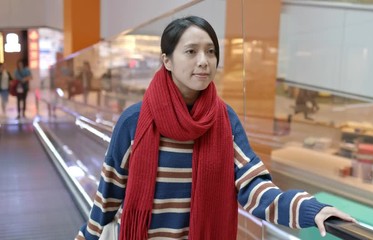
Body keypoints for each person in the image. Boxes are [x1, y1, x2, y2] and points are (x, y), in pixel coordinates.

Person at [76, 16, 355, 240]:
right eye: (191, 51)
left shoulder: (223, 120)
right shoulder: (134, 122)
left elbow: (252, 186)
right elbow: (108, 195)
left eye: (211, 52)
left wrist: (306, 208)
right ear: (167, 61)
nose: (204, 61)